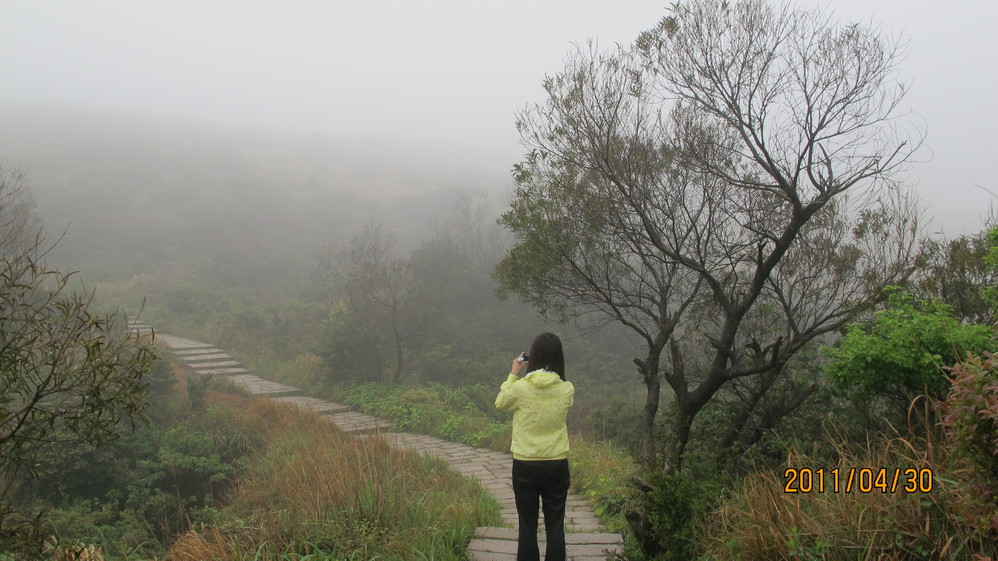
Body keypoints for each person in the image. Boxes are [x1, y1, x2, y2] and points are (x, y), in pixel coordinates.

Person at [495, 332, 575, 561]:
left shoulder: (521, 388)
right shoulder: (567, 388)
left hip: (525, 463)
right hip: (556, 463)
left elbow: (500, 403)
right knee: (555, 525)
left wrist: (514, 373)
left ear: (533, 356)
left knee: (527, 525)